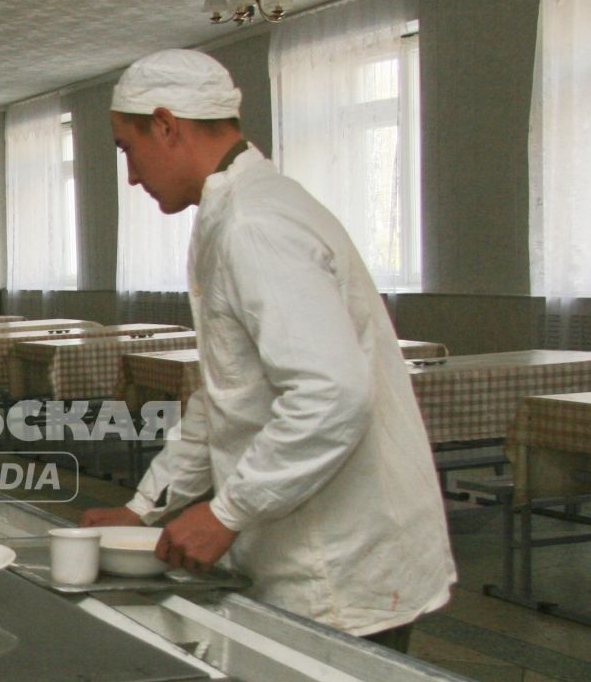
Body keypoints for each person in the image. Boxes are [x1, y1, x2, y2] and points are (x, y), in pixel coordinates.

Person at [80, 49, 453, 648]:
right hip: (307, 549)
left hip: (336, 562)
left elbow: (332, 396)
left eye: (127, 149)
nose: (131, 175)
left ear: (167, 124)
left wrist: (227, 512)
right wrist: (146, 505)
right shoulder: (234, 211)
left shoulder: (256, 224)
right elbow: (228, 391)